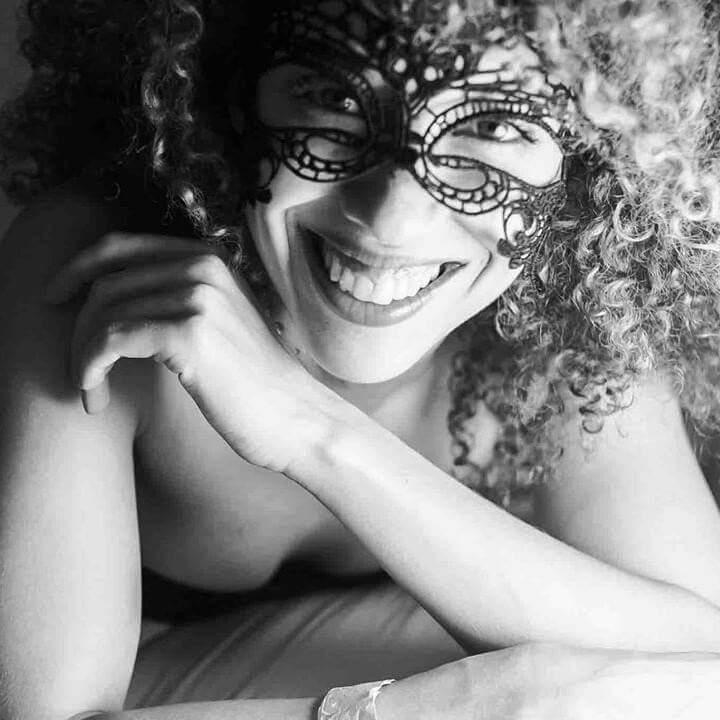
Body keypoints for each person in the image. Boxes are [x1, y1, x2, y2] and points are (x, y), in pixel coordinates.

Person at [3, 0, 720, 718]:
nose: (390, 220)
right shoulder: (105, 277)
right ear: (224, 87)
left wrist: (312, 429)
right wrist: (469, 701)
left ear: (592, 164)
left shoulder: (578, 322)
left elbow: (702, 659)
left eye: (495, 127)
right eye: (336, 99)